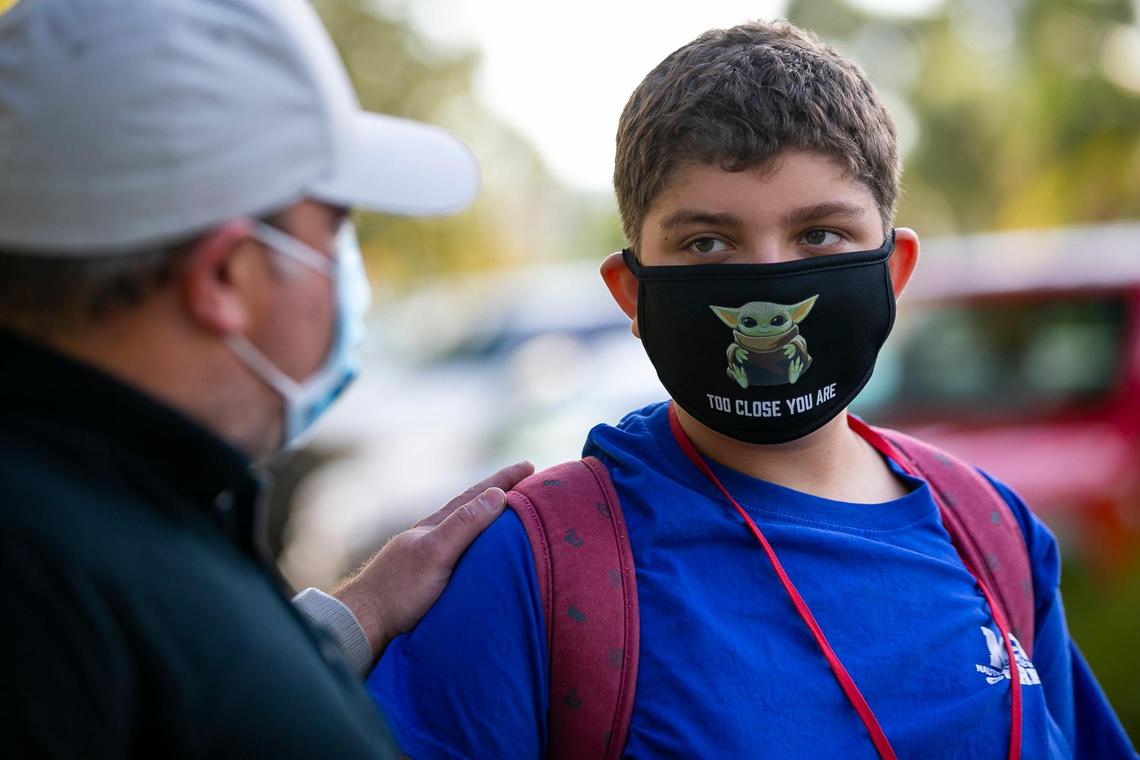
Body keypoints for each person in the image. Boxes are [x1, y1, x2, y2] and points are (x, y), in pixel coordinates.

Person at [366, 20, 1138, 759]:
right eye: (708, 242)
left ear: (893, 273)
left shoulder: (991, 532)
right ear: (631, 293)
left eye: (820, 235)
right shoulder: (536, 570)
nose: (767, 275)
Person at [0, 0, 533, 756]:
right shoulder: (43, 584)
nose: (348, 275)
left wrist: (360, 613)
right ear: (225, 274)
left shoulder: (117, 506)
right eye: (336, 228)